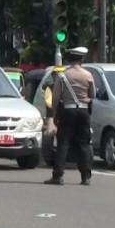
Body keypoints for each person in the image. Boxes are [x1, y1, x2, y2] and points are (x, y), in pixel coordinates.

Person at [45, 47, 95, 186]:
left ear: (69, 60)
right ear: (82, 60)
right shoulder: (88, 75)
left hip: (68, 111)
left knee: (63, 143)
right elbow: (92, 95)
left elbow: (56, 97)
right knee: (84, 144)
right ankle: (86, 177)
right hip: (83, 111)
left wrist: (54, 114)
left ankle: (58, 175)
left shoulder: (63, 76)